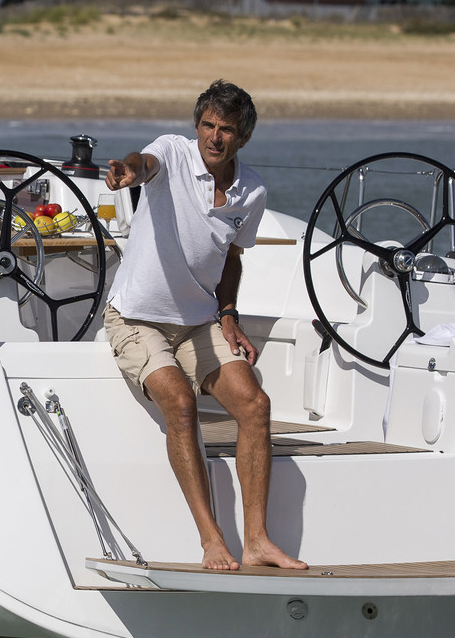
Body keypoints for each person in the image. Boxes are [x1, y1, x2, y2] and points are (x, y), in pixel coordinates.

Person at [102, 80, 305, 572]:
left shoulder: (251, 189)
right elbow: (143, 163)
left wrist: (229, 315)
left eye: (227, 129)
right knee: (180, 400)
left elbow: (231, 259)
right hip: (134, 318)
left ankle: (256, 540)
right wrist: (129, 170)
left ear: (243, 137)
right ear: (198, 126)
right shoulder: (170, 154)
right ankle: (211, 539)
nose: (214, 137)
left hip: (198, 323)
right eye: (208, 126)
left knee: (255, 405)